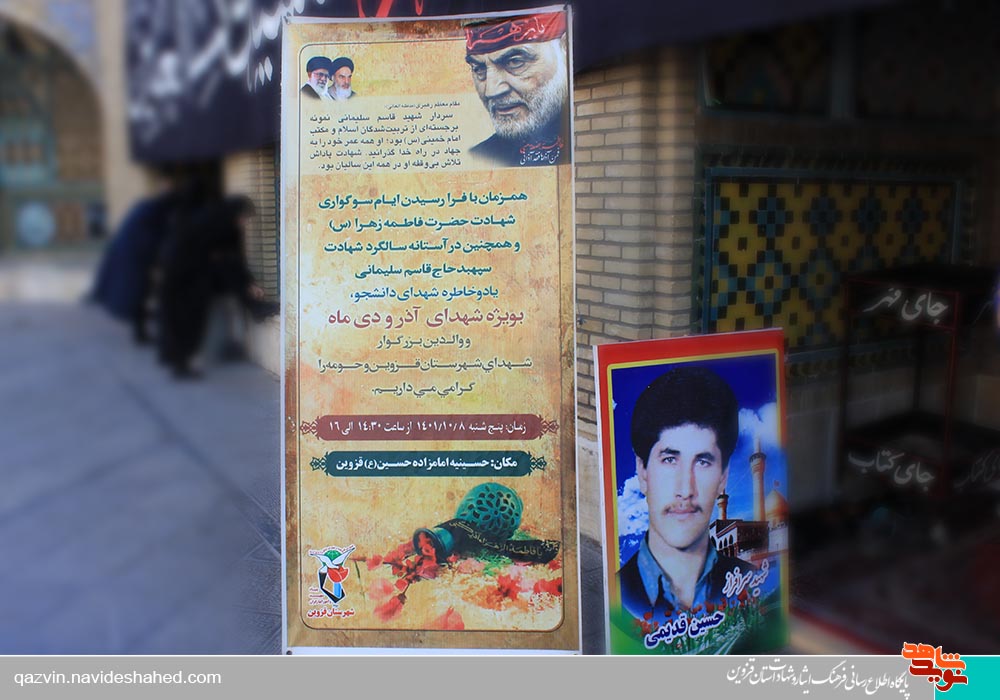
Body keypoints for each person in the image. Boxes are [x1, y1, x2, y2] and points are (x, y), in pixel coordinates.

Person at [617, 366, 755, 620]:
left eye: (703, 462)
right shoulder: (616, 596)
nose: (685, 490)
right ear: (643, 471)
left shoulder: (752, 582)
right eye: (670, 460)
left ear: (723, 477)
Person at [157, 195, 266, 379]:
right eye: (245, 218)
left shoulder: (226, 228)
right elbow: (223, 258)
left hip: (194, 276)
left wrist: (249, 283)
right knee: (185, 320)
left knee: (190, 320)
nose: (245, 223)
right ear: (236, 214)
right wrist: (246, 283)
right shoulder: (212, 225)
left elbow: (234, 259)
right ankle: (180, 364)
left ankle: (181, 362)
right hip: (182, 277)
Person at [464, 12, 570, 167]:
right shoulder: (479, 158)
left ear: (566, 49)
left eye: (515, 62)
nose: (491, 91)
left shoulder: (586, 144)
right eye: (479, 69)